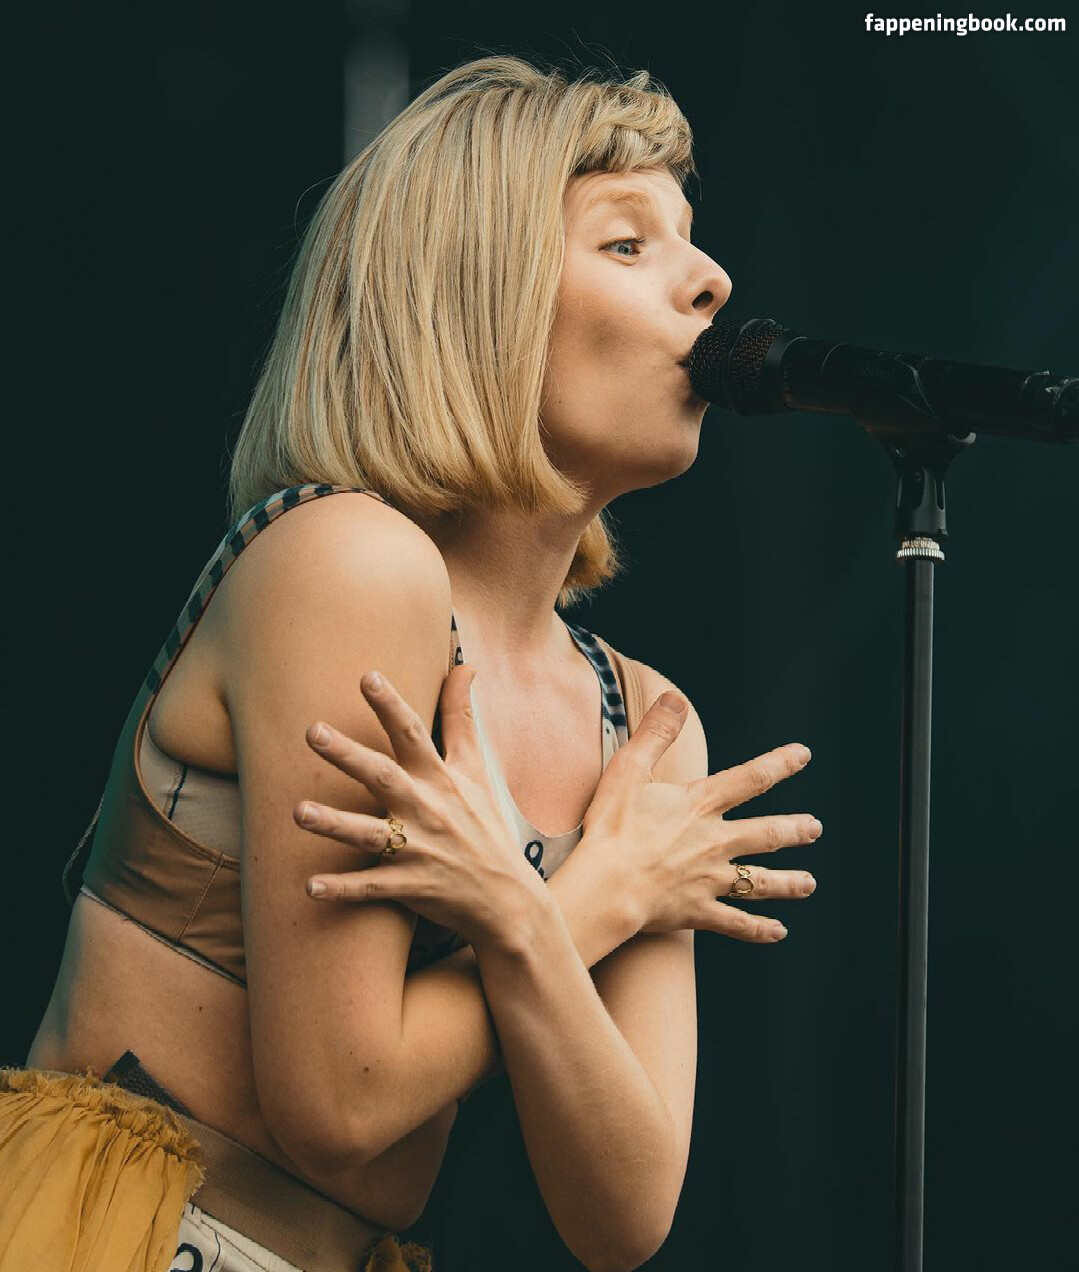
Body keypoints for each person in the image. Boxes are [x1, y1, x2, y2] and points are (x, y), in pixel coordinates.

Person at [1, 55, 822, 1272]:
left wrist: (527, 920)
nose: (712, 280)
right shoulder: (348, 561)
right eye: (625, 243)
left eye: (690, 241)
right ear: (473, 297)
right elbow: (338, 1101)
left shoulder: (645, 723)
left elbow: (624, 1215)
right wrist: (595, 897)